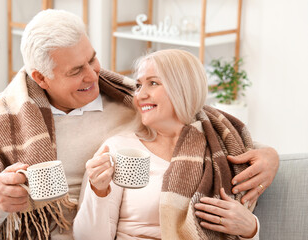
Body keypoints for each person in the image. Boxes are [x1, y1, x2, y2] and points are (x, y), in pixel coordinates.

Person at [0, 10, 279, 240]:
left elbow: (199, 118)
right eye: (76, 71)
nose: (94, 75)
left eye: (92, 59)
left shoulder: (132, 102)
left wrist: (268, 154)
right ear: (40, 77)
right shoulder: (2, 122)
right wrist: (0, 202)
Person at [73, 49, 261, 239]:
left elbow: (259, 155)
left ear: (183, 89)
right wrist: (98, 191)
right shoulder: (120, 149)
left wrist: (251, 229)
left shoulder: (219, 150)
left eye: (153, 83)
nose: (140, 95)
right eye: (138, 85)